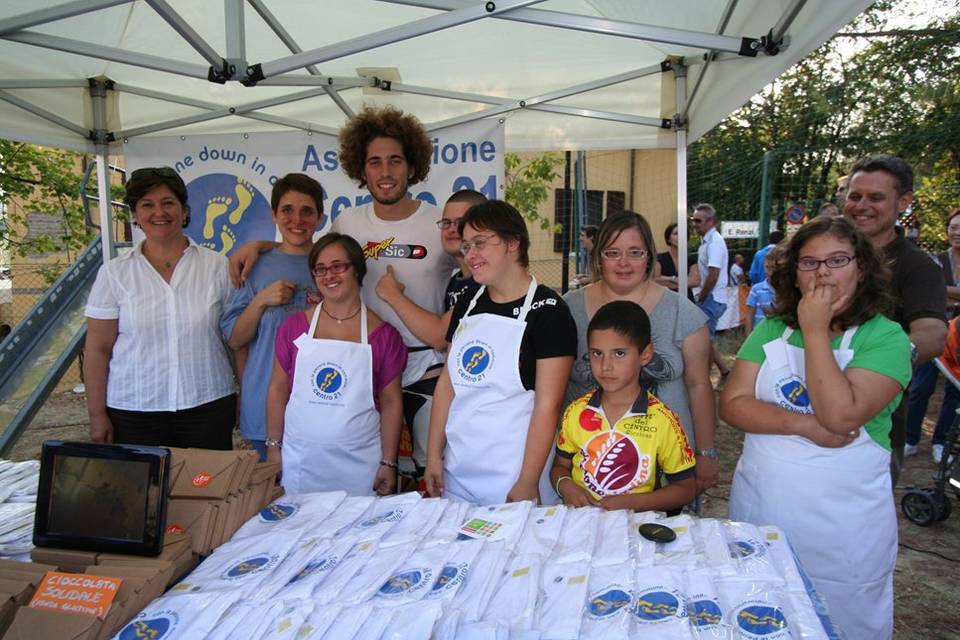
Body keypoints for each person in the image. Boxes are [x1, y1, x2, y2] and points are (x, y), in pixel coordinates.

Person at [230, 106, 456, 478]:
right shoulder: (348, 222)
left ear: (412, 165)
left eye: (395, 161)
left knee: (428, 482)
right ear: (360, 169)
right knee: (371, 476)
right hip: (360, 369)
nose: (385, 173)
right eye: (375, 162)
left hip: (426, 372)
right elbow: (313, 251)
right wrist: (260, 246)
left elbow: (474, 274)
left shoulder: (437, 224)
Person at [720, 216, 911, 640]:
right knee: (760, 611)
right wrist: (802, 426)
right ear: (794, 272)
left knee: (839, 623)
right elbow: (733, 405)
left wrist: (815, 329)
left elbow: (841, 416)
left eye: (837, 260)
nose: (823, 272)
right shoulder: (772, 329)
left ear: (861, 268)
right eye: (810, 263)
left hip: (842, 533)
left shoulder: (887, 338)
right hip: (762, 508)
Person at [424, 200, 577, 505]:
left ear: (513, 242)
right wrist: (432, 456)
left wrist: (527, 481)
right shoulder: (469, 299)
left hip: (513, 476)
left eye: (480, 243)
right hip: (458, 471)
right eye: (466, 246)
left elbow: (548, 405)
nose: (471, 255)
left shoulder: (549, 311)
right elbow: (448, 384)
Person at [563, 212, 719, 492]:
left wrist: (706, 452)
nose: (624, 263)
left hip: (663, 469)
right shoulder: (567, 310)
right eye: (613, 252)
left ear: (650, 257)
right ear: (598, 257)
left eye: (635, 252)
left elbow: (699, 385)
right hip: (584, 467)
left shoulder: (682, 313)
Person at [85, 167, 236, 448]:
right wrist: (97, 415)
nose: (159, 212)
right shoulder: (115, 273)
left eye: (168, 203)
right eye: (147, 205)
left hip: (207, 406)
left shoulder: (218, 266)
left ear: (184, 209)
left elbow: (237, 340)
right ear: (135, 214)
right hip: (134, 410)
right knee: (144, 493)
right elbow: (97, 349)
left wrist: (246, 401)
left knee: (205, 491)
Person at [265, 233, 406, 495]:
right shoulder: (294, 328)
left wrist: (388, 461)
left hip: (361, 466)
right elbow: (277, 389)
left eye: (338, 266)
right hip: (300, 462)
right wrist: (274, 447)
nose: (329, 275)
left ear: (357, 270)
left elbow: (391, 402)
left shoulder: (384, 336)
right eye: (320, 269)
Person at [843, 154, 947, 480]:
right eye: (855, 196)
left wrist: (870, 365)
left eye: (876, 197)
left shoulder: (918, 266)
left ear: (903, 202)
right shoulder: (822, 254)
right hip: (801, 404)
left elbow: (932, 334)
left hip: (875, 420)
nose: (862, 206)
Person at [551, 300, 697, 511]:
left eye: (619, 353)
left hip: (636, 530)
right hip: (581, 525)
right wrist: (565, 485)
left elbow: (686, 488)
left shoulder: (663, 420)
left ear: (645, 355)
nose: (606, 366)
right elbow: (559, 467)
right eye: (596, 353)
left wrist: (634, 503)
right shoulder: (575, 412)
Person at [219, 174, 323, 460]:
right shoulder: (254, 266)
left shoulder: (331, 264)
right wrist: (261, 300)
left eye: (307, 211)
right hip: (264, 405)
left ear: (320, 217)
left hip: (322, 405)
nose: (297, 220)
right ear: (274, 215)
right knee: (272, 500)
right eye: (287, 210)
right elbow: (235, 338)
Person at [904, 208, 960, 462]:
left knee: (954, 391)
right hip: (935, 334)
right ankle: (910, 438)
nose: (956, 232)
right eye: (953, 227)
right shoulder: (937, 260)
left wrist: (944, 291)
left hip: (958, 338)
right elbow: (929, 292)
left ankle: (940, 442)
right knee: (920, 387)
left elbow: (937, 291)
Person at [691, 203, 731, 378]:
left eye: (698, 220)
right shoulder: (708, 241)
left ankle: (703, 380)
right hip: (712, 297)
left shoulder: (714, 243)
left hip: (711, 298)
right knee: (705, 340)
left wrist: (702, 296)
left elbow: (713, 274)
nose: (694, 224)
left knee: (704, 342)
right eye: (693, 220)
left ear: (711, 221)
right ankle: (724, 369)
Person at [744, 249, 778, 334]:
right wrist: (748, 337)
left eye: (773, 268)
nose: (769, 271)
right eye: (767, 267)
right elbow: (749, 314)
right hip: (759, 334)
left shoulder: (785, 290)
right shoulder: (756, 289)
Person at [654, 222, 681, 291]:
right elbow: (656, 279)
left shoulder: (690, 260)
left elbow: (694, 281)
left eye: (682, 233)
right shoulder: (660, 258)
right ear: (668, 238)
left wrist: (665, 279)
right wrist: (672, 278)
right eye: (676, 233)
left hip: (687, 297)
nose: (680, 236)